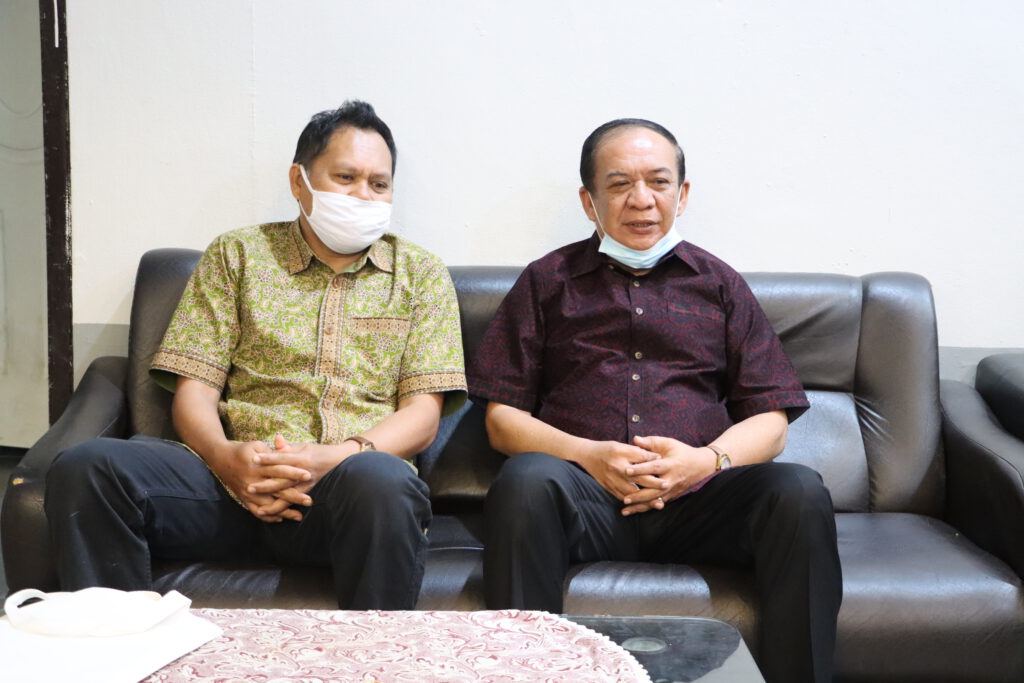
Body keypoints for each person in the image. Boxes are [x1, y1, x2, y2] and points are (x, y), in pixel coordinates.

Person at [46, 101, 467, 610]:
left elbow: (422, 415)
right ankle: (118, 641)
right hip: (225, 486)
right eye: (346, 177)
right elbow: (195, 391)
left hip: (346, 492)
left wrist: (332, 458)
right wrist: (227, 460)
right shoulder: (238, 256)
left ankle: (372, 653)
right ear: (299, 181)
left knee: (384, 481)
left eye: (379, 184)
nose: (363, 194)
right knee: (88, 467)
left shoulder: (420, 275)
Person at [468, 118, 841, 683]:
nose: (641, 200)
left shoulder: (720, 284)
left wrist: (704, 462)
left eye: (658, 182)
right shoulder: (547, 282)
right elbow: (501, 419)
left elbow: (771, 418)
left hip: (700, 501)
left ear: (681, 194)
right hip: (586, 500)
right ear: (589, 201)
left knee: (798, 491)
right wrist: (588, 455)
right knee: (525, 481)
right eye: (619, 184)